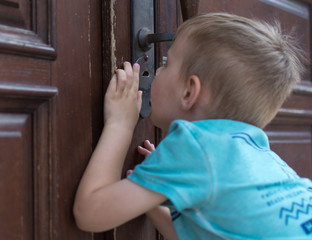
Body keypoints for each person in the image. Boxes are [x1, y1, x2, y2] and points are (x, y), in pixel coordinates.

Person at [73, 13, 309, 239]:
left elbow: (91, 213)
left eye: (167, 63)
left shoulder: (196, 148)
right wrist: (158, 189)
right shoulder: (265, 161)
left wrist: (120, 124)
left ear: (188, 92)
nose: (156, 70)